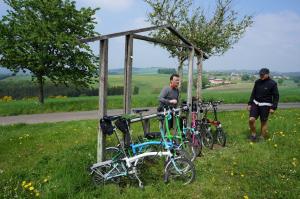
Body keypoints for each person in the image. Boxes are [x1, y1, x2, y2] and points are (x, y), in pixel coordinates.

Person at [247, 68, 279, 141]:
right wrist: (250, 103)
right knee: (251, 120)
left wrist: (273, 107)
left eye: (262, 75)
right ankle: (253, 134)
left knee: (263, 122)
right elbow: (253, 93)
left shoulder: (272, 83)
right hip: (255, 103)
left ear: (267, 74)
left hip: (266, 105)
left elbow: (276, 96)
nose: (261, 76)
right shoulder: (257, 82)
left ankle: (262, 137)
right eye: (260, 74)